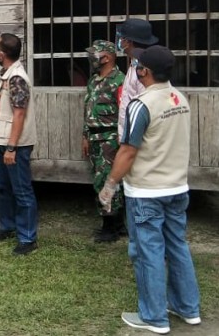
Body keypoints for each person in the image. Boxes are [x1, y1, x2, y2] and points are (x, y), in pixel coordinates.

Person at [99, 45, 201, 334]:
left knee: (148, 253)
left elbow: (128, 150)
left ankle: (154, 316)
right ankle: (187, 307)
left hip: (146, 192)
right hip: (177, 187)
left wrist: (109, 186)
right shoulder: (180, 98)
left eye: (137, 66)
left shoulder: (141, 105)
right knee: (178, 246)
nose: (135, 69)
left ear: (144, 71)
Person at [0, 33, 39, 256]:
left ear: (2, 54)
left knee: (21, 191)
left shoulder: (17, 78)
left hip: (15, 144)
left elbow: (19, 114)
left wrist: (12, 148)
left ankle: (27, 238)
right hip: (2, 139)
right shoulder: (7, 75)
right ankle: (8, 226)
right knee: (4, 187)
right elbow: (6, 105)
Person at [82, 40, 125, 243]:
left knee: (108, 181)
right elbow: (87, 109)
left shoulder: (120, 80)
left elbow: (124, 112)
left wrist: (121, 140)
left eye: (95, 55)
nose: (91, 58)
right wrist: (85, 135)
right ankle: (117, 224)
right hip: (94, 137)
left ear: (106, 57)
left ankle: (111, 227)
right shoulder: (94, 80)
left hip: (110, 138)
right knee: (100, 180)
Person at [116, 18, 158, 138]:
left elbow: (144, 106)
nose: (119, 42)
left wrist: (130, 139)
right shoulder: (134, 64)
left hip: (137, 138)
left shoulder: (143, 69)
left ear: (128, 42)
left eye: (121, 38)